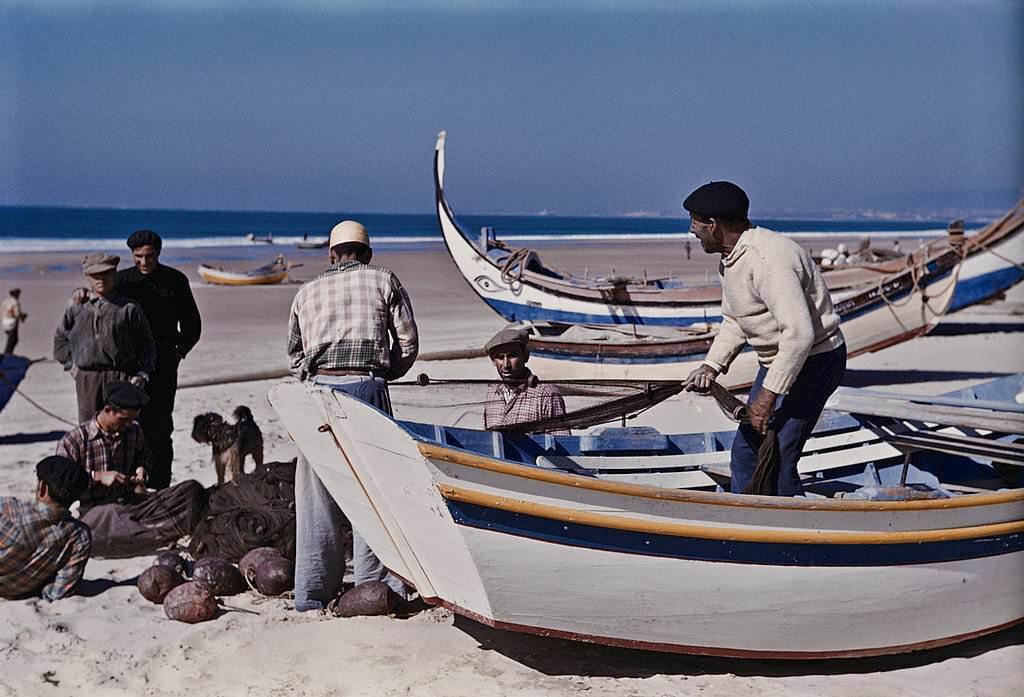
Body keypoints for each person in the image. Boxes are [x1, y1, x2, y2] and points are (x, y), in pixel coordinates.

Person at [287, 219, 419, 612]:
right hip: (366, 389)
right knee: (373, 491)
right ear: (367, 253)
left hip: (317, 394)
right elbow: (408, 342)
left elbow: (295, 357)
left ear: (331, 254)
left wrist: (318, 375)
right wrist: (383, 375)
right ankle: (373, 586)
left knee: (316, 496)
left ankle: (311, 593)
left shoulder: (306, 291)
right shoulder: (384, 280)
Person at [682, 181, 846, 496]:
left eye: (696, 222)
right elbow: (736, 319)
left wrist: (766, 398)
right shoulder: (731, 258)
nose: (692, 230)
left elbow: (799, 336)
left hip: (816, 360)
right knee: (746, 453)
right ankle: (747, 521)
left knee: (779, 457)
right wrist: (711, 366)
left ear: (714, 226)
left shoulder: (768, 260)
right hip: (777, 362)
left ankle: (792, 533)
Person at [55, 381, 207, 558]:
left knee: (191, 489)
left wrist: (141, 469)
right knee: (115, 516)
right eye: (124, 419)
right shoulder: (74, 440)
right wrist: (96, 477)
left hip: (132, 503)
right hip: (95, 512)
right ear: (108, 410)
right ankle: (157, 532)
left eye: (131, 419)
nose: (128, 424)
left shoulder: (133, 430)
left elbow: (143, 456)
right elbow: (57, 484)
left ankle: (156, 530)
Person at [117, 230, 202, 490]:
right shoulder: (121, 281)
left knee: (160, 428)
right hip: (129, 366)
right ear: (132, 255)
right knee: (127, 425)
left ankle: (160, 486)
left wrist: (179, 353)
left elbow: (192, 324)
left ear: (159, 253)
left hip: (163, 364)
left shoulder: (175, 280)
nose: (144, 262)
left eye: (149, 256)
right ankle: (129, 484)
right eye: (138, 257)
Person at [53, 252, 157, 425]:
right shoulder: (76, 308)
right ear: (87, 276)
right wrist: (72, 367)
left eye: (106, 273)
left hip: (122, 376)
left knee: (123, 429)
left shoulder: (129, 309)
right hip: (87, 379)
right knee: (90, 429)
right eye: (95, 275)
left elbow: (147, 344)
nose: (101, 279)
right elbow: (60, 340)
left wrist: (142, 374)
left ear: (114, 273)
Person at [0, 456, 92, 601]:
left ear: (42, 488)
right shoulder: (79, 536)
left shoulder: (8, 509)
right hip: (19, 591)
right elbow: (59, 592)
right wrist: (38, 589)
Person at [483, 326, 568, 435]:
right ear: (493, 361)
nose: (506, 364)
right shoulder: (492, 392)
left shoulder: (547, 394)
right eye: (500, 357)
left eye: (512, 356)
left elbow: (562, 441)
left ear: (525, 356)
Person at [1, 288, 27, 356]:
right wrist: (23, 316)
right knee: (13, 339)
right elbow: (17, 314)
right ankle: (7, 354)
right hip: (12, 322)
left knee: (12, 339)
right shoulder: (15, 302)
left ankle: (8, 353)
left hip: (4, 322)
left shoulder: (5, 301)